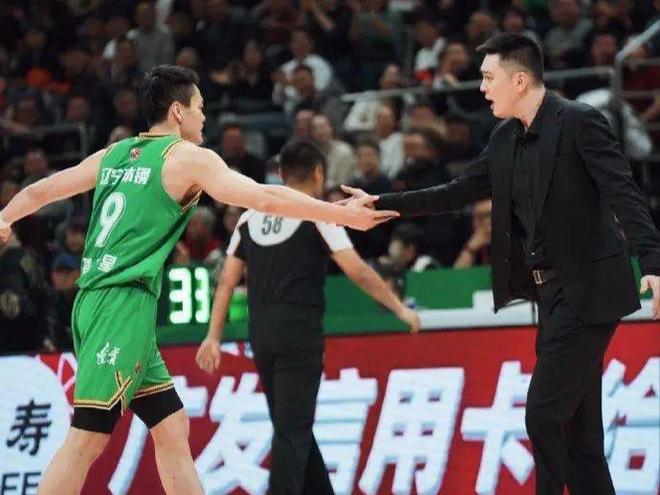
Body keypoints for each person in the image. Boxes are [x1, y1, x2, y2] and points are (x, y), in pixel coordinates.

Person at [0, 65, 396, 495]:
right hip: (121, 306)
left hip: (95, 303)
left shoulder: (115, 154)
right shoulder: (187, 157)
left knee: (171, 426)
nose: (204, 117)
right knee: (87, 438)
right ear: (178, 111)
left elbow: (41, 191)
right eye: (200, 107)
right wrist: (340, 214)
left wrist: (4, 218)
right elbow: (264, 197)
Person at [341, 34, 660, 495]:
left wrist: (652, 262)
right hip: (549, 295)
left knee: (544, 415)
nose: (483, 88)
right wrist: (383, 203)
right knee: (579, 433)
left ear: (521, 80)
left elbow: (622, 191)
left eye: (489, 78)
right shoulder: (504, 138)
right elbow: (457, 191)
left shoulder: (579, 122)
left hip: (591, 289)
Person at [196, 140, 419, 495]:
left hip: (260, 333)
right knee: (292, 428)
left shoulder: (249, 218)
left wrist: (212, 336)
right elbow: (357, 270)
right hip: (299, 332)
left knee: (291, 425)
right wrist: (399, 307)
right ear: (318, 174)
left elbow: (226, 281)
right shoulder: (318, 213)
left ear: (281, 174)